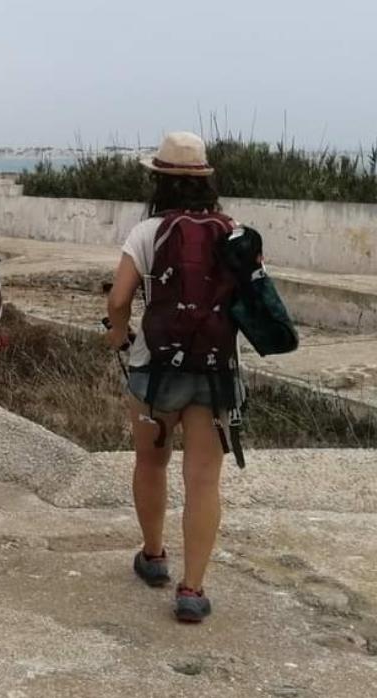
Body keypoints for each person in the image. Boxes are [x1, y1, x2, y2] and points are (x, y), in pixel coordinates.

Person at [105, 131, 242, 623]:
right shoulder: (232, 230)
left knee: (151, 463)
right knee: (203, 480)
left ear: (159, 180)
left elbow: (119, 300)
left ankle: (154, 556)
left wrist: (118, 337)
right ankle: (192, 588)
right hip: (215, 371)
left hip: (154, 370)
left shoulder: (147, 233)